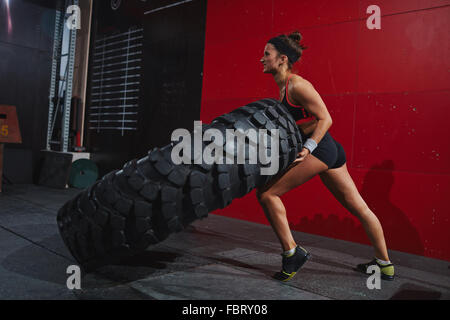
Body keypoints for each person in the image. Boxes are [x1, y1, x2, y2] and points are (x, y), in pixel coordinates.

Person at [257, 31, 395, 282]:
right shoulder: (282, 88)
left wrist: (308, 147)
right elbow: (303, 123)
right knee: (360, 208)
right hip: (329, 150)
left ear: (282, 59)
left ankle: (292, 253)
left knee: (267, 194)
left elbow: (326, 118)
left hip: (322, 150)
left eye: (267, 54)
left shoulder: (297, 85)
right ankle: (384, 264)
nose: (261, 59)